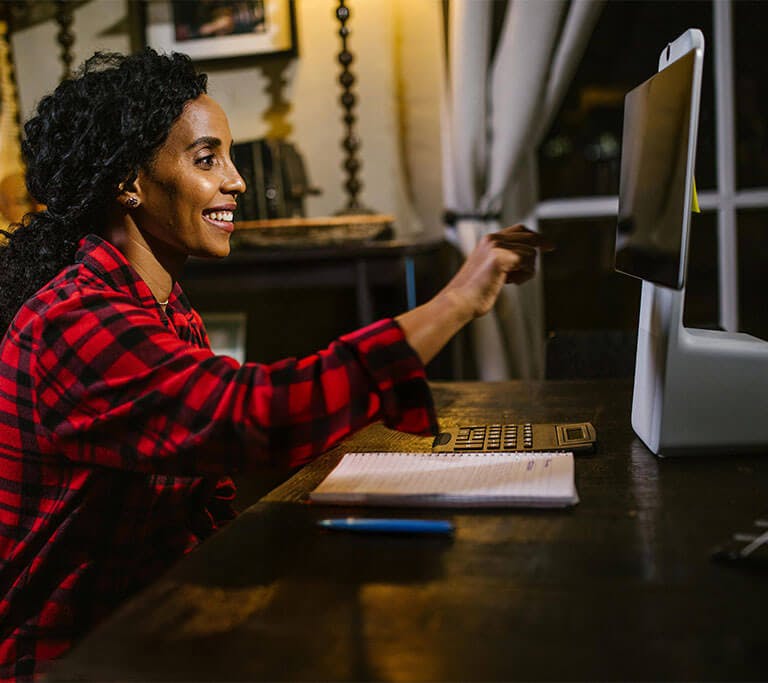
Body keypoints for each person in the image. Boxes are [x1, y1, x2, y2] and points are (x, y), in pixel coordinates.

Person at [0, 49, 552, 681]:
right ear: (129, 181)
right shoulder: (74, 322)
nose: (235, 181)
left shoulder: (162, 310)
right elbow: (255, 414)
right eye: (207, 160)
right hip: (61, 660)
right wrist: (454, 303)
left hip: (143, 629)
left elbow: (203, 500)